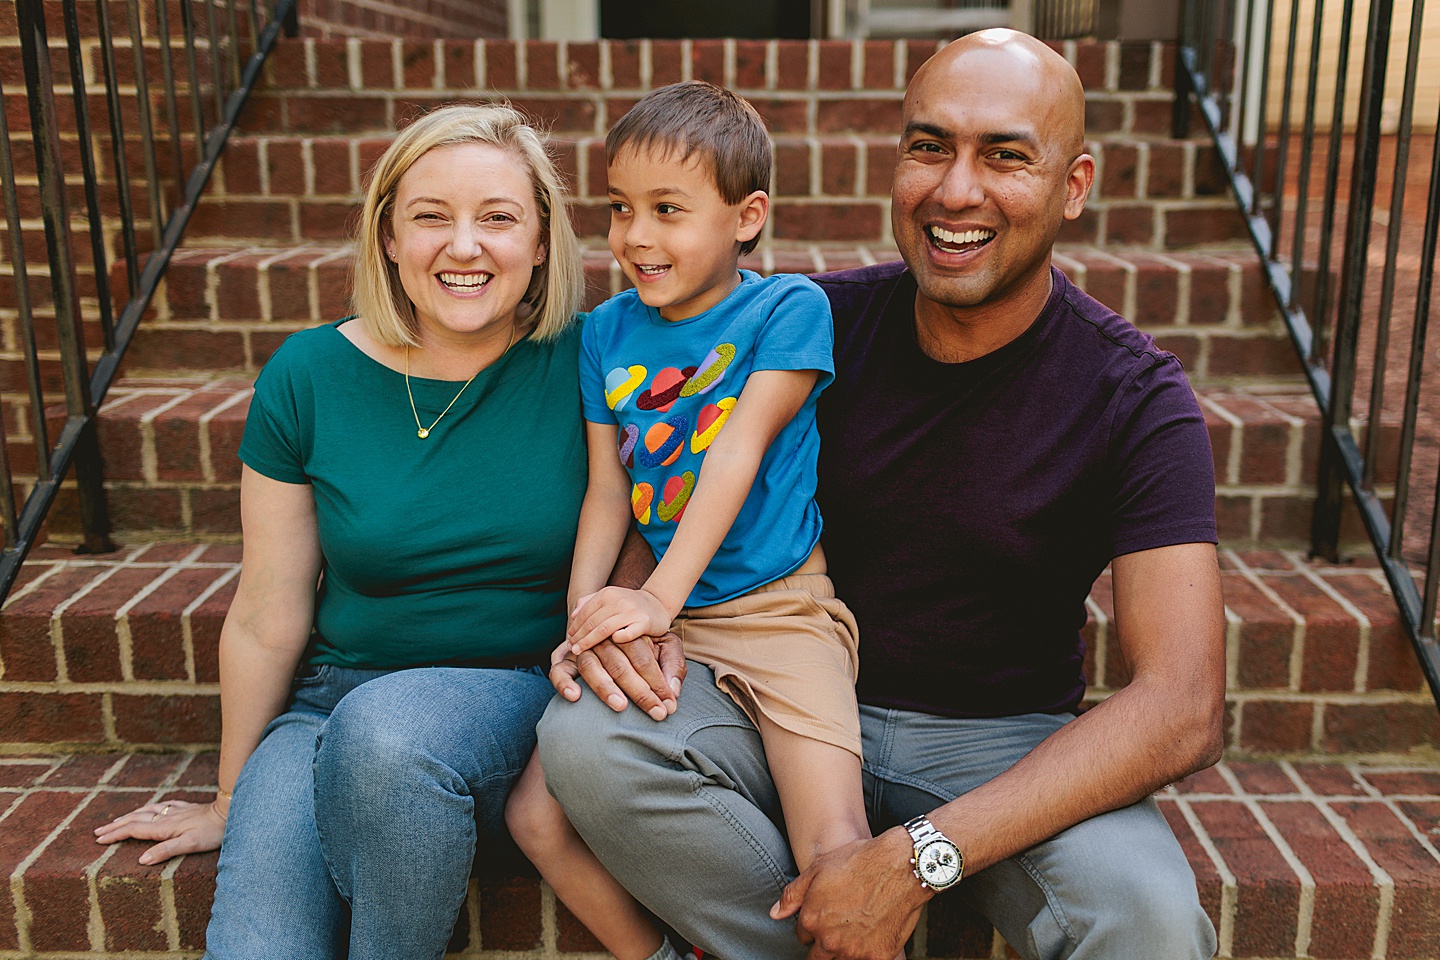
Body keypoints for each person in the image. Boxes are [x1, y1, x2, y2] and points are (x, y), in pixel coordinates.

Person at [536, 29, 1226, 960]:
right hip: (762, 702)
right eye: (930, 146)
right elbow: (656, 469)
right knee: (589, 742)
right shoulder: (806, 324)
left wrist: (919, 856)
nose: (956, 190)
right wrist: (629, 610)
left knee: (1148, 918)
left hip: (997, 746)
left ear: (1074, 186)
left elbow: (1183, 706)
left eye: (1005, 155)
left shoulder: (1133, 396)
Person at [93, 103, 588, 960]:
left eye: (498, 218)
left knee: (388, 735)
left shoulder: (592, 360)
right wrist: (230, 798)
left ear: (542, 241)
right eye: (430, 217)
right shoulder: (309, 374)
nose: (464, 246)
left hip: (514, 697)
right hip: (331, 702)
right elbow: (266, 610)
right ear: (388, 237)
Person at [506, 80, 890, 960]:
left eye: (668, 209)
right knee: (534, 816)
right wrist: (584, 619)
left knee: (836, 850)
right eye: (620, 208)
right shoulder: (605, 332)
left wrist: (657, 599)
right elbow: (608, 492)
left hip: (779, 612)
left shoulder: (785, 310)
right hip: (665, 615)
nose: (636, 236)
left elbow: (736, 453)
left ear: (746, 217)